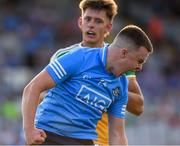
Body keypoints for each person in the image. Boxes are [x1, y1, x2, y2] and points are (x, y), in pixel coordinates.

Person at [22, 24, 153, 145]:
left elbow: (117, 134)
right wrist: (29, 130)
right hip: (49, 135)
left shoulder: (121, 86)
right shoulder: (80, 57)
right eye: (139, 61)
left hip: (84, 142)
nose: (139, 67)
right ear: (124, 53)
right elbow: (32, 88)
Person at [46, 0, 145, 145]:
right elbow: (46, 94)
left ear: (108, 27)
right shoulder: (63, 56)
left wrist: (108, 90)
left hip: (102, 141)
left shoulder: (120, 59)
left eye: (98, 21)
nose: (91, 24)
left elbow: (138, 107)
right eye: (88, 19)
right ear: (80, 22)